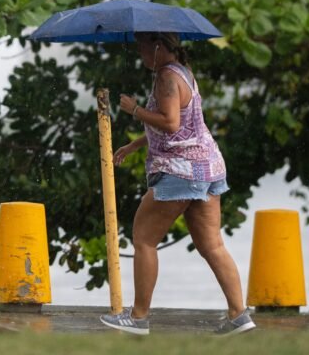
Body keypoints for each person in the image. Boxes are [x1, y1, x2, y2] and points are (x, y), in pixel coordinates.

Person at [99, 31, 256, 336]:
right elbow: (182, 125)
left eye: (142, 46)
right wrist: (135, 144)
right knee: (212, 244)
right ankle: (239, 315)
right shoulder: (183, 73)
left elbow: (170, 122)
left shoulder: (165, 78)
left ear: (158, 47)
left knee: (144, 238)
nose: (139, 52)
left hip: (180, 171)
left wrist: (133, 109)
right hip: (208, 167)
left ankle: (139, 318)